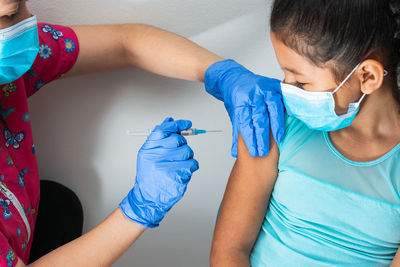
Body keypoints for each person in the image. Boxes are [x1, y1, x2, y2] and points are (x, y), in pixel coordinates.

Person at [0, 0, 286, 266]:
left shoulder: (12, 59)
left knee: (61, 206)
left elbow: (126, 43)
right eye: (11, 14)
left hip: (26, 224)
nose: (28, 22)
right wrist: (139, 209)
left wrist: (222, 74)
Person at [211, 0, 400, 266]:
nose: (286, 91)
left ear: (367, 76)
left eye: (300, 81)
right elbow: (229, 251)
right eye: (284, 75)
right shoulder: (276, 124)